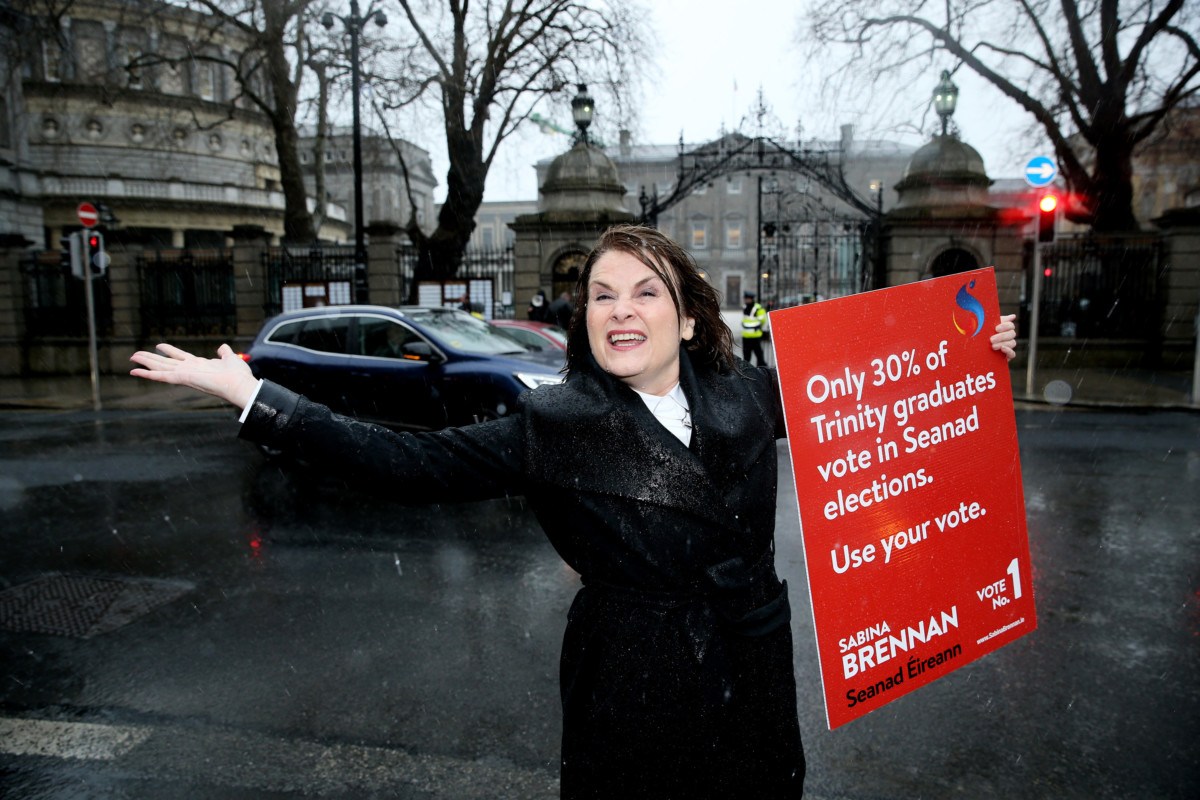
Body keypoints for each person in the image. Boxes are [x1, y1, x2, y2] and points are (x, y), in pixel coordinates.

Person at [130, 225, 1018, 799]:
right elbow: (403, 462)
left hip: (751, 664)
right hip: (630, 677)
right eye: (602, 293)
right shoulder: (553, 425)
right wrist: (257, 396)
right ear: (583, 315)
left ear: (685, 312)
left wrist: (972, 346)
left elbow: (873, 388)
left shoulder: (750, 394)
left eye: (645, 291)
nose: (621, 310)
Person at [741, 290, 768, 366]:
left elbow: (763, 320)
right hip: (746, 335)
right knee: (746, 355)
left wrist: (761, 329)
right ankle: (746, 368)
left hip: (755, 335)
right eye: (745, 298)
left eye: (747, 298)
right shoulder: (745, 306)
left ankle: (762, 367)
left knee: (759, 354)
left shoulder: (758, 308)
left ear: (751, 299)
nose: (746, 300)